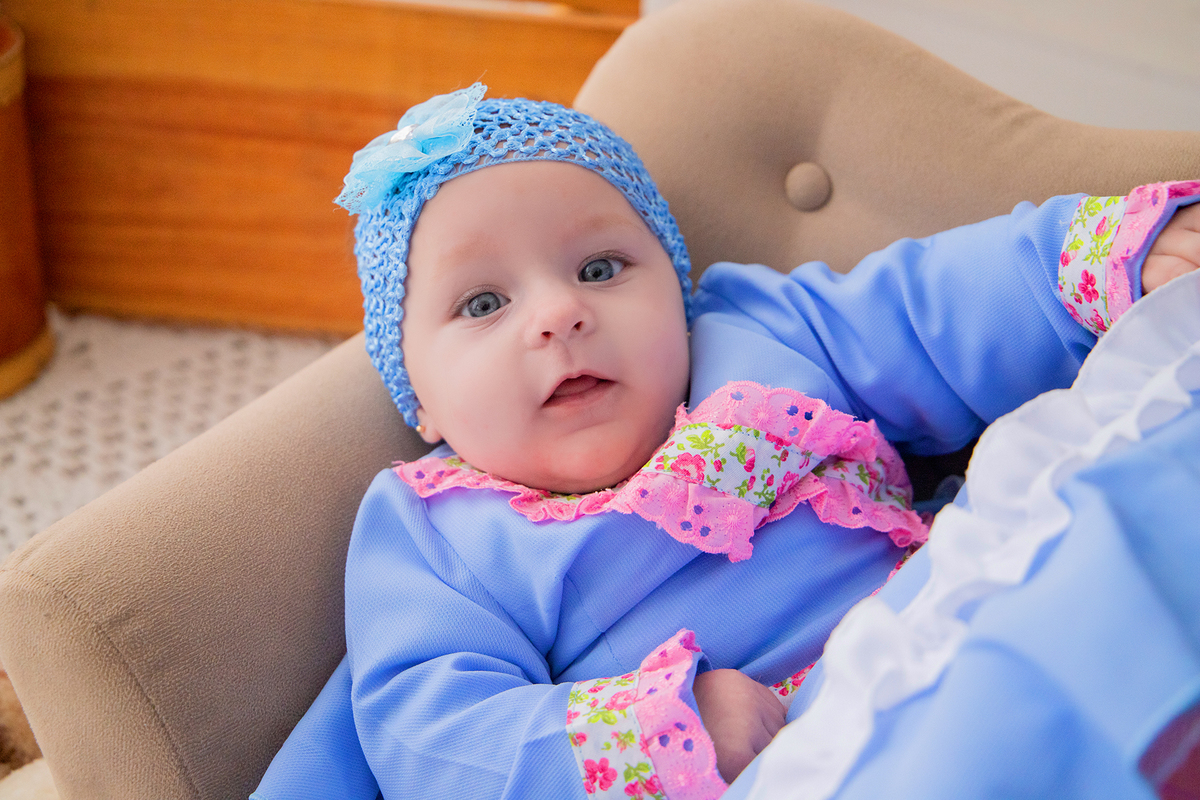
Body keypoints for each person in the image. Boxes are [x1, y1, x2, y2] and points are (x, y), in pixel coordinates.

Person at [251, 83, 1200, 800]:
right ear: (419, 395)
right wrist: (665, 729)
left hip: (956, 599)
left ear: (674, 285)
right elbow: (433, 731)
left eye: (600, 266)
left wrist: (1101, 263)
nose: (559, 314)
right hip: (797, 757)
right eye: (485, 303)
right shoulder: (438, 533)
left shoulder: (757, 334)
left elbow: (927, 308)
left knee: (1127, 499)